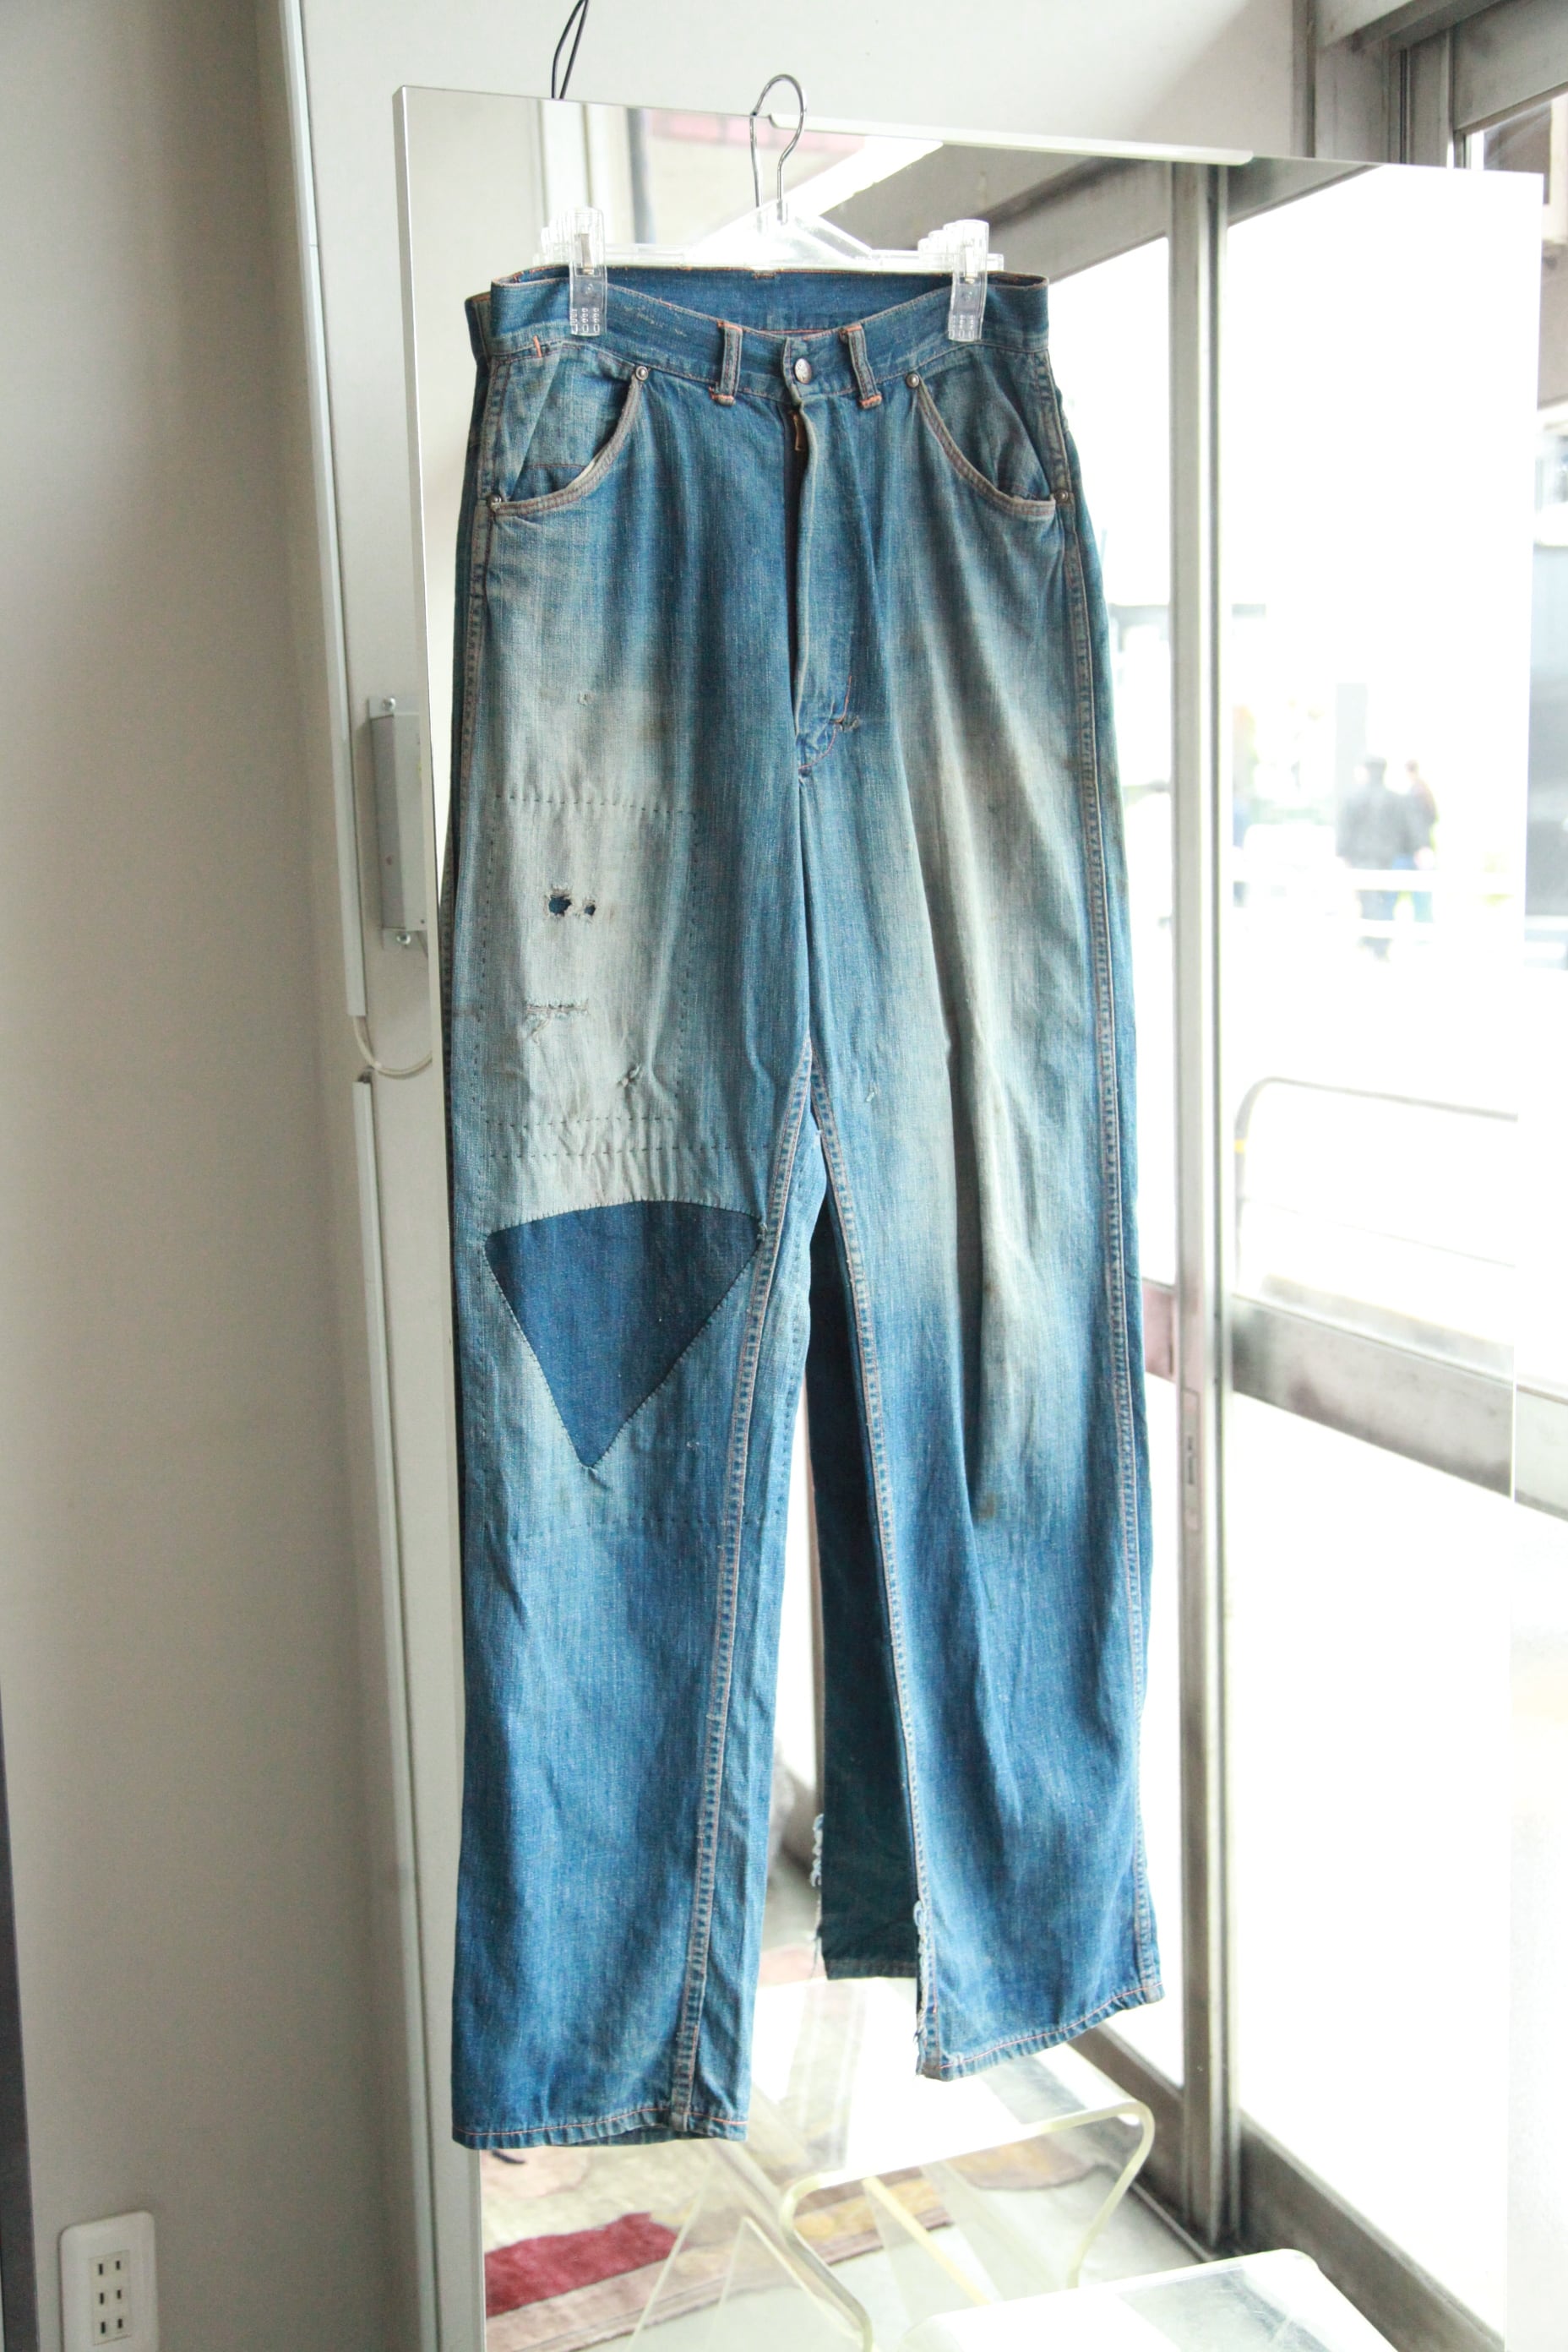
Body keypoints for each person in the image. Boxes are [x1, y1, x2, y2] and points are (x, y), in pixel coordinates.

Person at [1336, 755, 1424, 957]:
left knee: (1368, 899)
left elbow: (1345, 829)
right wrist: (1419, 848)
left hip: (1361, 858)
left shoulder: (1354, 798)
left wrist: (1342, 854)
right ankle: (1377, 941)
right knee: (1383, 900)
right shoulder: (1396, 799)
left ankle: (1375, 943)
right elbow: (1410, 827)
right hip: (1389, 858)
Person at [1396, 758, 1438, 923]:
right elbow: (1433, 818)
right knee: (1423, 892)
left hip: (1418, 850)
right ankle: (1424, 925)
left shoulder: (1415, 794)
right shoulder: (1424, 791)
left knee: (1420, 892)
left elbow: (1415, 823)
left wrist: (1419, 846)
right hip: (1425, 847)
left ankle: (1422, 926)